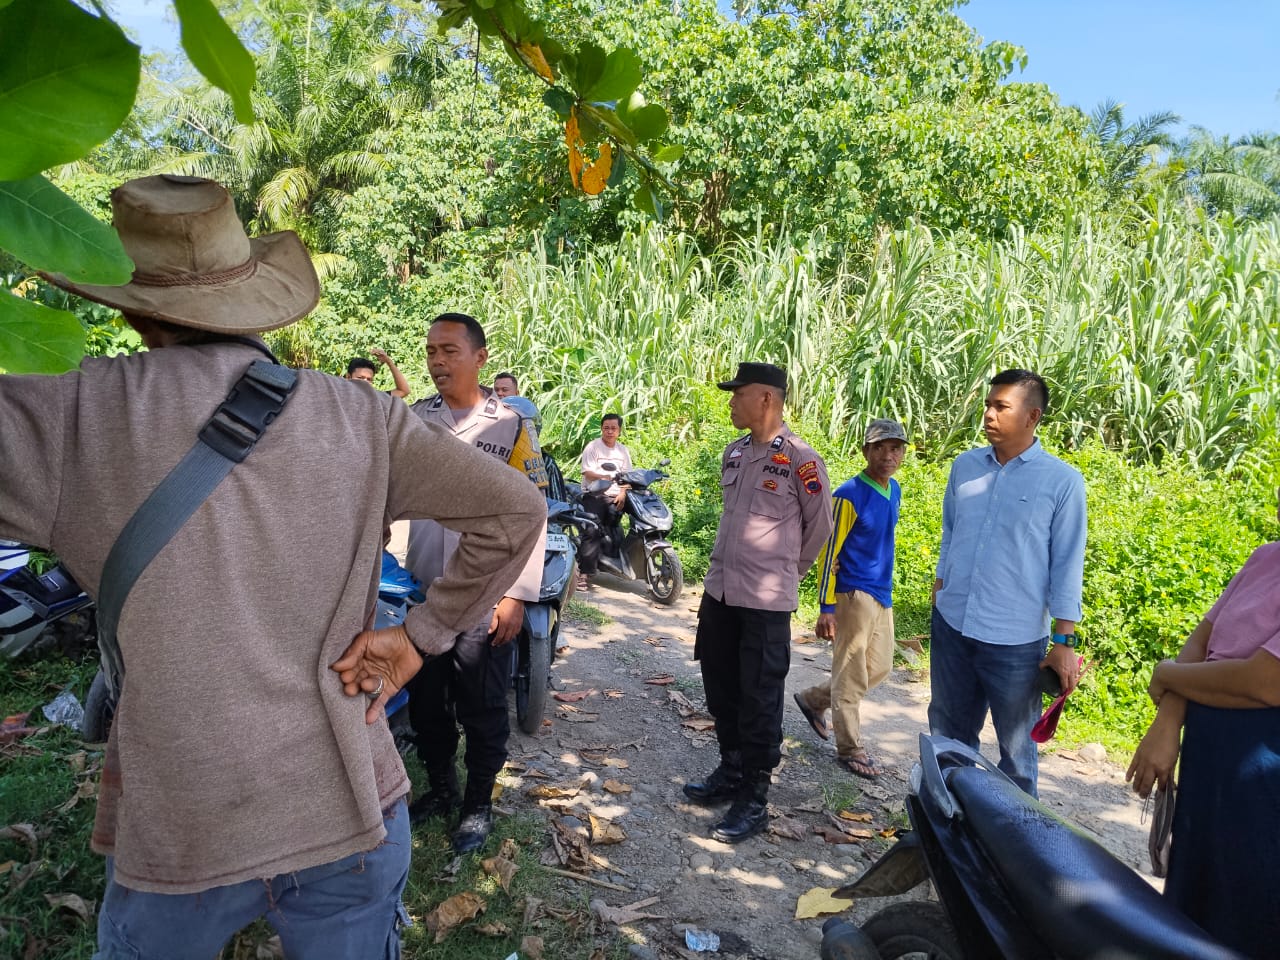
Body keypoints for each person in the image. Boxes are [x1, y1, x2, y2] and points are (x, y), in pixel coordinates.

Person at [0, 175, 544, 958]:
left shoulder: (71, 417)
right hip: (351, 807)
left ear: (131, 307)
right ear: (252, 295)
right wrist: (417, 638)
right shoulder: (364, 417)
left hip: (185, 831)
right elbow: (517, 512)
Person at [403, 313, 548, 854]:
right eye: (431, 351)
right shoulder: (415, 421)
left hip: (484, 596)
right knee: (426, 705)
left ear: (480, 358)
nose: (437, 361)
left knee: (483, 706)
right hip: (424, 591)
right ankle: (442, 789)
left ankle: (478, 803)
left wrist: (516, 594)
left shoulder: (510, 426)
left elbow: (534, 514)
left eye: (449, 351)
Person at [1126, 487, 1280, 959]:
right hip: (1212, 772)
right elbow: (1202, 643)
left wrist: (1167, 673)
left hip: (1264, 785)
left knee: (1249, 913)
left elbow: (1265, 681)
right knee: (1194, 902)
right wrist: (1168, 719)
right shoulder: (1265, 559)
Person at [683, 362, 833, 842]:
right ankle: (730, 769)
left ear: (766, 399)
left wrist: (791, 571)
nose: (730, 402)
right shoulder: (734, 453)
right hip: (721, 591)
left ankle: (755, 797)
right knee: (720, 685)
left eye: (737, 394)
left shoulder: (801, 461)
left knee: (759, 697)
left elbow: (820, 529)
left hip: (765, 602)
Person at [928, 368, 1086, 798]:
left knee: (1016, 756)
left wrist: (1063, 643)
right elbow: (950, 530)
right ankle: (946, 833)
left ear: (1032, 416)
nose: (989, 414)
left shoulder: (1062, 482)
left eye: (1001, 406)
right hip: (953, 624)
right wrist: (941, 582)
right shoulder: (965, 467)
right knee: (947, 737)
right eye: (988, 404)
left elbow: (1067, 564)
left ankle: (1014, 852)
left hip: (1014, 641)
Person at [794, 418, 907, 779]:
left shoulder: (895, 491)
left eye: (896, 448)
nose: (889, 455)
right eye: (881, 448)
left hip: (881, 592)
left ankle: (814, 700)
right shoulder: (848, 495)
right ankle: (850, 747)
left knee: (879, 667)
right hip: (853, 592)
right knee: (850, 670)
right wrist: (826, 606)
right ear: (866, 451)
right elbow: (829, 552)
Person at [576, 413, 633, 590]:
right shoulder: (593, 447)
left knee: (629, 523)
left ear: (619, 431)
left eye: (613, 428)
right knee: (592, 529)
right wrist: (606, 476)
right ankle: (583, 574)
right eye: (606, 428)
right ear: (601, 429)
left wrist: (623, 492)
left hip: (616, 495)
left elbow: (627, 476)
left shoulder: (623, 450)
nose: (609, 431)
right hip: (595, 493)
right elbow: (587, 472)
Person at [344, 348, 411, 399]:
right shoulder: (338, 397)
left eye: (369, 379)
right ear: (348, 377)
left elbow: (403, 391)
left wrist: (389, 362)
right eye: (360, 378)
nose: (365, 382)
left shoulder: (376, 398)